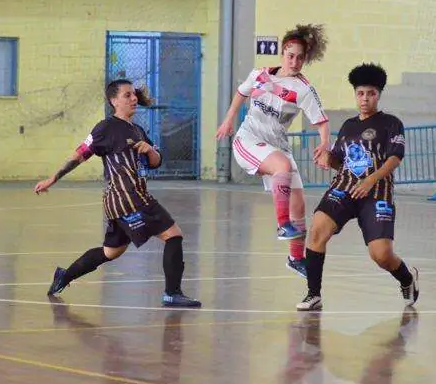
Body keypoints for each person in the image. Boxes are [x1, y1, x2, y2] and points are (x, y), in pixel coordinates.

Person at [34, 79, 201, 307]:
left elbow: (155, 162)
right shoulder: (106, 128)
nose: (134, 98)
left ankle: (64, 276)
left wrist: (150, 149)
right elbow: (80, 154)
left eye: (134, 94)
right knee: (173, 235)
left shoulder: (138, 129)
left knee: (111, 251)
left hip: (126, 201)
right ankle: (172, 293)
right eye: (127, 95)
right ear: (114, 101)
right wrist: (53, 178)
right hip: (129, 198)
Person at [296, 63, 419, 311]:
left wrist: (370, 180)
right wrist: (326, 157)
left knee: (381, 254)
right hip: (344, 188)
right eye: (360, 93)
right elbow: (342, 162)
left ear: (379, 95)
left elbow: (395, 157)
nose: (364, 98)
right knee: (317, 230)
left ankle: (407, 279)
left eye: (370, 93)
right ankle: (313, 294)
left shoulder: (391, 123)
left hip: (376, 192)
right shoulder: (349, 126)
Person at [216, 24, 330, 278]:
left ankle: (295, 258)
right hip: (249, 139)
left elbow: (321, 121)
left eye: (301, 57)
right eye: (291, 55)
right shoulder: (260, 74)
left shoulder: (303, 89)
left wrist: (324, 143)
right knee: (283, 167)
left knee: (299, 203)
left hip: (277, 145)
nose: (295, 61)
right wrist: (228, 120)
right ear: (282, 53)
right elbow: (240, 93)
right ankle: (282, 225)